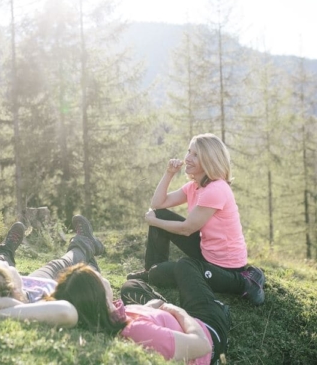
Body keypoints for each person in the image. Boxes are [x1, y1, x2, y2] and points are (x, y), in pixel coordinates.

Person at [126, 133, 266, 305]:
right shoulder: (195, 186)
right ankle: (150, 271)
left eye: (196, 155)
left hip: (225, 266)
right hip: (206, 251)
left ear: (209, 160)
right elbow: (158, 204)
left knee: (166, 267)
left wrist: (154, 222)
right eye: (189, 152)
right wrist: (169, 173)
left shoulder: (216, 189)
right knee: (160, 214)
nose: (188, 158)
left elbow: (187, 229)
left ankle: (245, 282)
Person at [50, 257, 231, 364]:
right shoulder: (139, 331)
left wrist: (149, 309)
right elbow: (202, 345)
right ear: (98, 294)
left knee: (130, 286)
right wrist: (180, 312)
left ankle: (156, 279)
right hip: (209, 328)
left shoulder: (109, 317)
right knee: (186, 265)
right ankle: (245, 282)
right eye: (97, 276)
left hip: (171, 319)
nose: (101, 275)